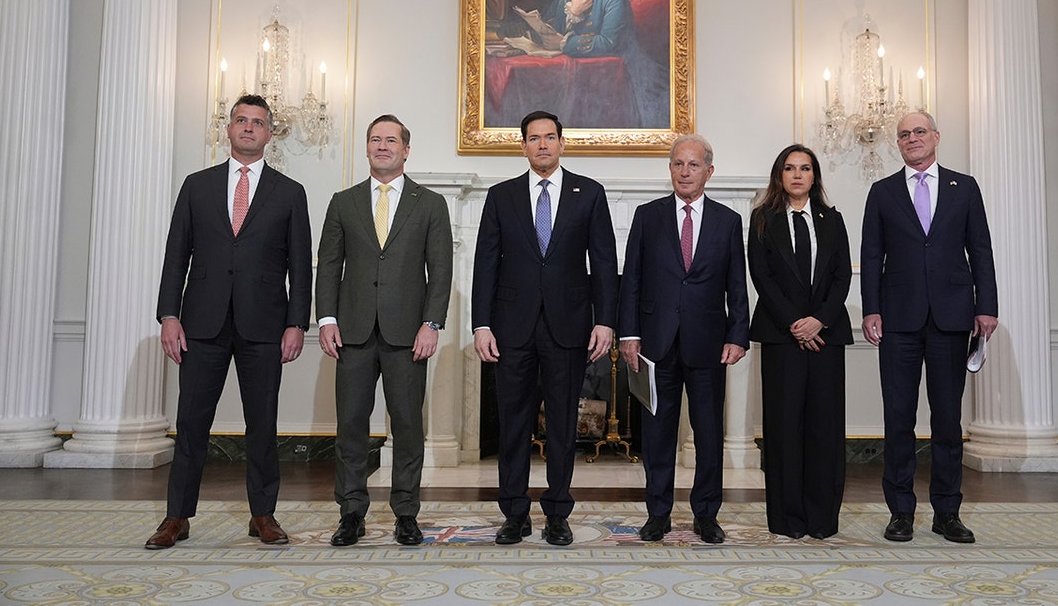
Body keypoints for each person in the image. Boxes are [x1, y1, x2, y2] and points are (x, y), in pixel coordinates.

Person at [147, 94, 312, 550]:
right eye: (241, 120)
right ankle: (176, 517)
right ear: (229, 128)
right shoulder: (196, 186)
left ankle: (263, 514)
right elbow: (175, 256)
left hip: (265, 326)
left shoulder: (290, 192)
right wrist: (169, 315)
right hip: (201, 324)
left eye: (257, 122)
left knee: (263, 424)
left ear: (270, 134)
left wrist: (297, 323)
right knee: (191, 423)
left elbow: (300, 266)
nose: (248, 127)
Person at [472, 110, 618, 546]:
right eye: (534, 138)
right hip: (511, 329)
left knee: (562, 425)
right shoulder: (501, 196)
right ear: (523, 146)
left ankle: (557, 513)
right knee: (513, 425)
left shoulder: (589, 193)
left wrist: (605, 320)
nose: (542, 145)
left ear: (561, 143)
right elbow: (485, 263)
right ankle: (514, 514)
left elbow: (604, 262)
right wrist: (481, 324)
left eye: (549, 137)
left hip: (568, 327)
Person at [860, 111, 998, 544]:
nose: (912, 138)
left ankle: (947, 513)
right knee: (898, 418)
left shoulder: (964, 187)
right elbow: (871, 255)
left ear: (936, 136)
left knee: (948, 420)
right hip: (898, 319)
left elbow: (981, 249)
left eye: (919, 132)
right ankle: (900, 512)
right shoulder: (882, 192)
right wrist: (871, 309)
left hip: (952, 318)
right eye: (904, 134)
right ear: (898, 143)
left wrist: (987, 307)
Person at [316, 114, 453, 547]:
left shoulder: (430, 204)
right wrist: (326, 319)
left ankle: (406, 514)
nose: (382, 146)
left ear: (406, 150)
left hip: (408, 335)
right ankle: (351, 513)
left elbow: (441, 271)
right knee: (351, 426)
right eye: (375, 139)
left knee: (408, 427)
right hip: (352, 333)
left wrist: (431, 324)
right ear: (367, 147)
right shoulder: (343, 202)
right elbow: (328, 266)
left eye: (391, 140)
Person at [619, 134, 749, 544]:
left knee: (708, 434)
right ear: (670, 169)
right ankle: (657, 514)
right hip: (655, 344)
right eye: (678, 164)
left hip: (709, 344)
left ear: (709, 171)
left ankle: (706, 516)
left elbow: (737, 285)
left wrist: (738, 335)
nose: (685, 172)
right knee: (657, 435)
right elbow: (632, 279)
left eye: (693, 165)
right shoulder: (648, 216)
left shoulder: (728, 221)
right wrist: (629, 334)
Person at [748, 144, 852, 540]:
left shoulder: (832, 219)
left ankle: (822, 520)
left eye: (805, 168)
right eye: (790, 168)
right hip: (781, 337)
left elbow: (842, 275)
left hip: (826, 337)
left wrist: (818, 321)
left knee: (824, 429)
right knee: (784, 428)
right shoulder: (763, 219)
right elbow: (761, 276)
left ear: (814, 176)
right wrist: (795, 323)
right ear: (780, 175)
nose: (797, 175)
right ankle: (787, 520)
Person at [544, 0, 670, 129]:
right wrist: (573, 12)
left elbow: (608, 43)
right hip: (585, 75)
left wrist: (564, 43)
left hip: (626, 75)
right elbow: (550, 30)